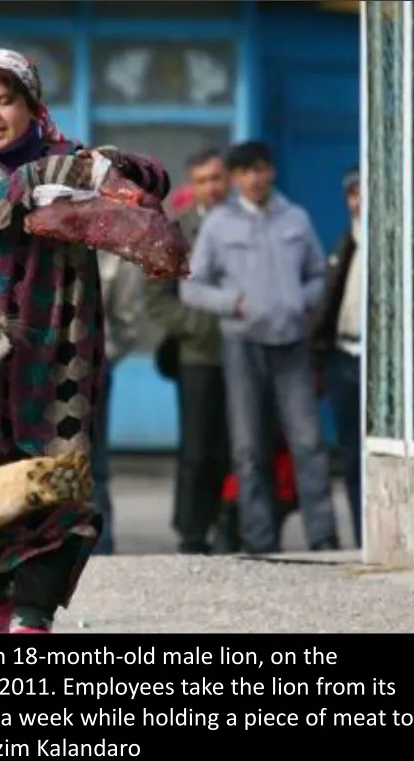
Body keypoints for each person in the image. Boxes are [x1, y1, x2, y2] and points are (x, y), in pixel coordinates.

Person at [0, 48, 171, 633]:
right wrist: (36, 181)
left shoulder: (68, 163)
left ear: (32, 107)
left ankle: (34, 621)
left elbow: (153, 183)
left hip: (57, 359)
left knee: (59, 488)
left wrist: (107, 166)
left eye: (5, 101)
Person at [181, 140, 339, 554]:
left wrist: (301, 302)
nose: (253, 178)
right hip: (242, 346)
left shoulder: (296, 218)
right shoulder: (218, 224)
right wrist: (232, 304)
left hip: (291, 345)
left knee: (308, 442)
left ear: (271, 172)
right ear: (235, 179)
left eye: (259, 169)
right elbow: (191, 286)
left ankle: (323, 537)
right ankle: (259, 539)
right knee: (248, 447)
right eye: (244, 172)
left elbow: (318, 275)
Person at [146, 148, 232, 554]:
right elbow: (158, 300)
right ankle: (192, 531)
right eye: (202, 181)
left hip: (249, 353)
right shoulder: (176, 232)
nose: (211, 188)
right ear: (191, 186)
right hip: (198, 356)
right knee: (197, 449)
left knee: (239, 448)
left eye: (217, 178)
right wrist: (200, 327)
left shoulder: (247, 225)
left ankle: (234, 526)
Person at [312, 165, 362, 547]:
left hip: (373, 360)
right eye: (352, 194)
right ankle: (362, 535)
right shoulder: (345, 242)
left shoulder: (396, 245)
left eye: (364, 192)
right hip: (342, 356)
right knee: (351, 455)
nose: (358, 201)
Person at [92, 251, 144, 555]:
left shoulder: (116, 252)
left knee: (94, 466)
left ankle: (100, 549)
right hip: (46, 366)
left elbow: (127, 320)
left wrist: (105, 357)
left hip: (92, 365)